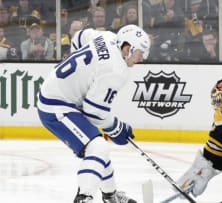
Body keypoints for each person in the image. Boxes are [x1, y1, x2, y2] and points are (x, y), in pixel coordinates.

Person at [36, 24, 151, 203]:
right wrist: (117, 128)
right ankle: (84, 197)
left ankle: (110, 195)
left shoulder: (107, 37)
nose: (142, 59)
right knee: (98, 147)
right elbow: (94, 113)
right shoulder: (116, 71)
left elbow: (78, 37)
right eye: (140, 54)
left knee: (97, 148)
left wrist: (78, 77)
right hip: (56, 105)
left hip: (57, 93)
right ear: (128, 49)